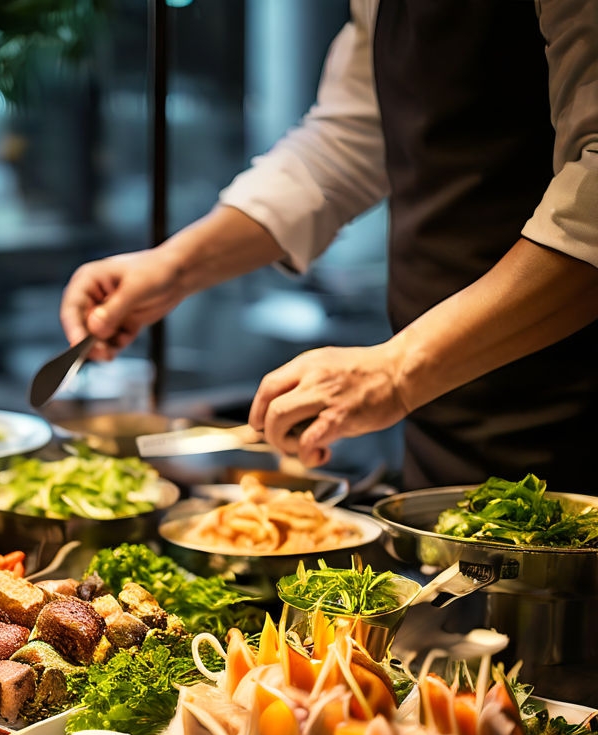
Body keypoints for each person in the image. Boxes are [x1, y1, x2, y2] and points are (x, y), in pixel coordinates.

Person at [59, 0, 598, 492]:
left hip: (573, 405)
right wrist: (173, 267)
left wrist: (397, 370)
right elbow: (346, 141)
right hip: (445, 413)